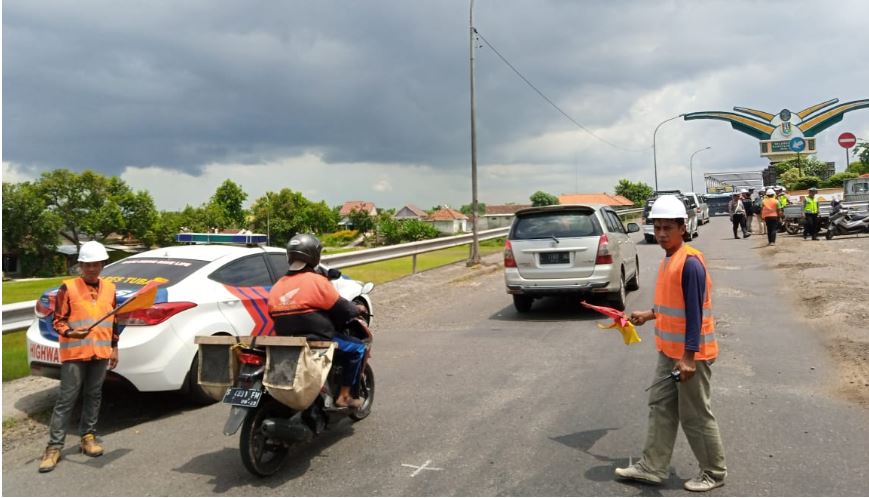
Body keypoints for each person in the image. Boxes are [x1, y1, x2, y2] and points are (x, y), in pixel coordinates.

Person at [614, 195, 727, 492]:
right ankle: (652, 466)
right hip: (669, 352)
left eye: (668, 228)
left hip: (692, 356)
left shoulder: (690, 264)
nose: (662, 233)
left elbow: (694, 314)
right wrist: (649, 314)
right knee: (661, 405)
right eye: (657, 227)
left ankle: (714, 472)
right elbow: (671, 304)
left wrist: (689, 357)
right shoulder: (669, 260)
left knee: (695, 415)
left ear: (683, 227)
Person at [39, 241, 119, 473]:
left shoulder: (110, 289)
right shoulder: (68, 288)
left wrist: (114, 347)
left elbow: (114, 321)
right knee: (66, 399)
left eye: (96, 264)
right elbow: (58, 321)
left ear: (103, 265)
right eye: (87, 264)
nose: (92, 268)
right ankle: (54, 447)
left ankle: (88, 437)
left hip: (100, 353)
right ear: (81, 266)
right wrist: (73, 332)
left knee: (93, 395)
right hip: (75, 353)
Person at [267, 233, 367, 409]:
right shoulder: (316, 281)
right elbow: (344, 308)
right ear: (314, 256)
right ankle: (344, 397)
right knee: (358, 348)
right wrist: (357, 309)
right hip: (318, 341)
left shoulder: (277, 285)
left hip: (288, 342)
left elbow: (272, 315)